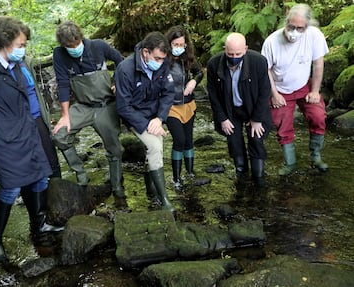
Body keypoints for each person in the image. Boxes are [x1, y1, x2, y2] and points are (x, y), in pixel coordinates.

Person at [0, 16, 64, 264]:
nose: (23, 49)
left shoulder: (14, 66)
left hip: (25, 133)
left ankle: (39, 226)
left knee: (41, 176)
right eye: (21, 44)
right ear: (5, 42)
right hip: (4, 141)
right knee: (11, 187)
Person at [52, 21, 126, 207]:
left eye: (77, 42)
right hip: (83, 106)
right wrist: (65, 115)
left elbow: (121, 61)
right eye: (69, 46)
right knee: (60, 135)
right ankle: (81, 174)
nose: (74, 47)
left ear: (81, 37)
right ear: (63, 45)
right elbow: (62, 83)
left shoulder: (98, 46)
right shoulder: (59, 55)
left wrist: (117, 81)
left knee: (115, 149)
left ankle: (117, 186)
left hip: (106, 106)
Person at [261, 4, 329, 176]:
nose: (294, 31)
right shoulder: (271, 42)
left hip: (305, 85)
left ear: (307, 26)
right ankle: (290, 163)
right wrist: (274, 94)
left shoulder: (314, 35)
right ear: (286, 22)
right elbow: (266, 70)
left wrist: (315, 91)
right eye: (291, 27)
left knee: (318, 116)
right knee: (282, 123)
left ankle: (316, 156)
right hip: (281, 88)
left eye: (300, 28)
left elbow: (318, 63)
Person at [115, 31, 176, 212]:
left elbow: (168, 93)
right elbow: (123, 107)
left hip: (154, 114)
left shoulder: (163, 63)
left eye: (162, 59)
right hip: (134, 115)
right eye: (156, 58)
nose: (159, 63)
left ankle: (152, 191)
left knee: (156, 146)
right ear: (145, 52)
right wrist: (146, 125)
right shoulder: (125, 69)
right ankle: (164, 200)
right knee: (156, 147)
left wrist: (159, 118)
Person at [207, 32, 272, 187]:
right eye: (230, 54)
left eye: (238, 53)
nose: (234, 57)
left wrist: (257, 119)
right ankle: (241, 176)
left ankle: (258, 179)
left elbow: (265, 92)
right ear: (224, 50)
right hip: (230, 110)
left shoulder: (259, 61)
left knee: (256, 140)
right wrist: (222, 118)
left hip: (253, 108)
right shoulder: (214, 64)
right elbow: (213, 95)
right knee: (234, 143)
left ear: (246, 49)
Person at [164, 25, 209, 189]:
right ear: (169, 44)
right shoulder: (162, 60)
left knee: (189, 140)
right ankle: (176, 179)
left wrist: (194, 81)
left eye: (181, 45)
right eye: (175, 45)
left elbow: (200, 72)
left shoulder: (188, 58)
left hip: (189, 105)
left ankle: (190, 173)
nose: (178, 48)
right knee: (179, 140)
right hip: (170, 107)